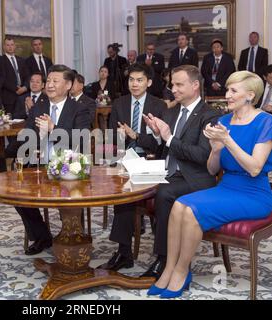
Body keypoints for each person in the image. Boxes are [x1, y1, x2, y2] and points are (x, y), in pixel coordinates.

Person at [147, 71, 272, 298]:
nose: (227, 95)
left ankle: (182, 271)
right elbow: (213, 169)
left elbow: (255, 168)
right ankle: (168, 269)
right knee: (179, 205)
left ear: (250, 95)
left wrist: (227, 141)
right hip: (226, 187)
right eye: (227, 89)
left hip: (254, 193)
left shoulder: (265, 121)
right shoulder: (223, 121)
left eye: (233, 90)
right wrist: (215, 149)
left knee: (193, 210)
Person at [140, 65, 219, 280]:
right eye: (172, 84)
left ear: (195, 86)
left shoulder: (210, 115)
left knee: (164, 193)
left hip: (195, 177)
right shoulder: (171, 111)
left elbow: (202, 156)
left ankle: (164, 259)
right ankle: (123, 252)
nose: (172, 89)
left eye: (178, 84)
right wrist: (158, 136)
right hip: (167, 171)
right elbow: (163, 149)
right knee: (130, 186)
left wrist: (168, 138)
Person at [97, 63, 167, 272]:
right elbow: (111, 138)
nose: (134, 84)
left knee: (130, 187)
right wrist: (115, 150)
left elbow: (161, 143)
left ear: (149, 82)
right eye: (131, 80)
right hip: (125, 160)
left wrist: (135, 136)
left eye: (139, 80)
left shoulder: (158, 106)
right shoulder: (119, 103)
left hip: (151, 160)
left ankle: (133, 251)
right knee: (122, 189)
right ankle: (124, 251)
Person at [15, 65, 91, 255]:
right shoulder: (38, 107)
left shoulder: (80, 109)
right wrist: (34, 140)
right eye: (48, 80)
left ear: (68, 85)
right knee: (19, 196)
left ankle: (74, 236)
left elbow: (80, 139)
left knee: (69, 196)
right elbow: (27, 135)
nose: (49, 85)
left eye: (55, 81)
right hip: (39, 165)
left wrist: (53, 128)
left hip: (70, 167)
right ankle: (42, 236)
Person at [2, 36, 30, 115]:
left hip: (23, 95)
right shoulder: (0, 60)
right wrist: (16, 89)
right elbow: (2, 79)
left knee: (23, 120)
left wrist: (25, 87)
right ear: (4, 47)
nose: (10, 47)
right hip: (9, 97)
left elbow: (28, 76)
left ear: (15, 46)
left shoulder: (22, 60)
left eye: (12, 45)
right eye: (8, 45)